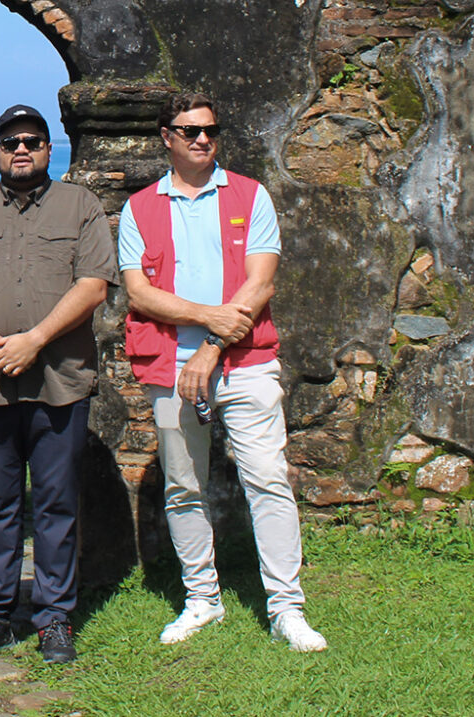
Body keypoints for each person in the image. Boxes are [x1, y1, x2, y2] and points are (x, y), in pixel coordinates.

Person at [119, 93, 327, 653]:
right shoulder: (139, 208)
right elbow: (138, 292)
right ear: (167, 136)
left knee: (268, 480)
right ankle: (201, 600)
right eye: (189, 131)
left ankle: (287, 608)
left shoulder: (250, 196)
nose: (202, 140)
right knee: (185, 486)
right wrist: (205, 316)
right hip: (168, 362)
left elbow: (260, 284)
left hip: (245, 362)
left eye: (210, 130)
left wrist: (212, 342)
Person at [0, 104, 118, 665]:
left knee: (58, 502)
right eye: (11, 141)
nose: (21, 149)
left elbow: (94, 285)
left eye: (32, 141)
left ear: (48, 149)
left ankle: (54, 617)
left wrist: (34, 340)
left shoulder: (79, 206)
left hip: (61, 381)